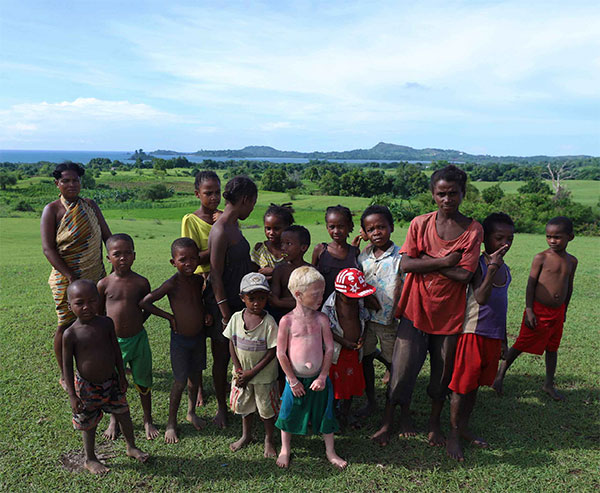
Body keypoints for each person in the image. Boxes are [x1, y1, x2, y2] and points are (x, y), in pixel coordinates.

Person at [372, 165, 483, 447]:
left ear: (463, 193)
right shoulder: (420, 224)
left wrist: (425, 263)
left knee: (441, 376)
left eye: (453, 194)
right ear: (433, 194)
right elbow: (406, 264)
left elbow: (465, 275)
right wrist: (445, 262)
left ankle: (435, 424)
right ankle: (389, 422)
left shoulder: (472, 230)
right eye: (441, 194)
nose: (448, 200)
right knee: (400, 371)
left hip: (449, 316)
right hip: (415, 309)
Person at [446, 213, 514, 461]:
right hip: (472, 333)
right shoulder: (479, 264)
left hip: (492, 336)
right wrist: (493, 265)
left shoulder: (505, 268)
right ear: (485, 239)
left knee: (474, 387)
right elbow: (482, 297)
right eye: (499, 238)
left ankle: (463, 427)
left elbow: (501, 305)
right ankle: (453, 434)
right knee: (461, 387)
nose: (505, 243)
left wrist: (504, 339)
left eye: (510, 238)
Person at [62, 279, 148, 474]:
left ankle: (131, 446)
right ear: (70, 306)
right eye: (79, 303)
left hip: (112, 381)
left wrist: (121, 375)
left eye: (92, 301)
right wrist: (72, 395)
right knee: (89, 423)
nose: (87, 307)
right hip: (87, 387)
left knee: (123, 414)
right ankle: (90, 458)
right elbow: (67, 366)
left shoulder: (106, 323)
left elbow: (116, 350)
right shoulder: (71, 334)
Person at [41, 161, 111, 389]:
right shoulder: (52, 210)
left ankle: (101, 363)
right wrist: (70, 276)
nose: (72, 185)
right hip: (65, 278)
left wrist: (118, 256)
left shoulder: (90, 205)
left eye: (76, 180)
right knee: (65, 325)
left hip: (95, 275)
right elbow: (48, 249)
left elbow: (106, 236)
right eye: (66, 181)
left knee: (98, 321)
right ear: (57, 184)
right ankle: (65, 373)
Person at [493, 216, 578, 401]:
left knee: (553, 348)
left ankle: (549, 383)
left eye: (557, 237)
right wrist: (529, 309)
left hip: (557, 312)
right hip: (538, 310)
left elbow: (568, 286)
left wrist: (565, 310)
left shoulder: (572, 261)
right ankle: (500, 375)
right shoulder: (541, 258)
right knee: (521, 344)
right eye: (548, 236)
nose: (552, 241)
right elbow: (531, 285)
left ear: (570, 237)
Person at [275, 266, 346, 470]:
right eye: (316, 294)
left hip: (319, 379)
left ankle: (330, 451)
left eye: (322, 293)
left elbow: (329, 348)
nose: (321, 298)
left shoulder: (322, 319)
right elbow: (281, 353)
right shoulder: (287, 321)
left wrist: (323, 376)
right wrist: (292, 379)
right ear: (298, 294)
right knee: (287, 413)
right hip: (295, 380)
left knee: (326, 414)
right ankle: (285, 449)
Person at [139, 238, 208, 443]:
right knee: (179, 382)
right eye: (182, 259)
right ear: (173, 262)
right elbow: (145, 302)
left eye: (193, 258)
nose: (188, 263)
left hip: (198, 337)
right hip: (180, 340)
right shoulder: (172, 283)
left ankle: (191, 412)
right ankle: (171, 423)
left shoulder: (198, 281)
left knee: (195, 377)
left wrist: (205, 314)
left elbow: (198, 303)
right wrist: (169, 317)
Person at [205, 176, 259, 428]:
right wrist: (224, 312)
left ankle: (246, 404)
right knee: (221, 357)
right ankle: (221, 409)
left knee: (242, 355)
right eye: (253, 204)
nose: (252, 209)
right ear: (246, 200)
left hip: (239, 302)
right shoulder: (221, 230)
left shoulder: (233, 225)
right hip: (223, 305)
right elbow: (215, 274)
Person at [97, 233, 158, 441]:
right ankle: (114, 419)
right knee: (114, 382)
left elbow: (147, 305)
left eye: (127, 253)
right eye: (117, 254)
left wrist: (139, 321)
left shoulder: (141, 282)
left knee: (143, 379)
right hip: (114, 343)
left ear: (134, 255)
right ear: (108, 258)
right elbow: (99, 314)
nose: (123, 258)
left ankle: (148, 419)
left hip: (138, 339)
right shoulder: (103, 284)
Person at [224, 272, 280, 457]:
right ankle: (246, 435)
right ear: (242, 298)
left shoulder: (269, 323)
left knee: (266, 410)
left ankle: (268, 439)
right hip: (241, 375)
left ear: (267, 298)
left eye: (262, 298)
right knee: (245, 407)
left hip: (264, 377)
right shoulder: (235, 318)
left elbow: (273, 351)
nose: (257, 303)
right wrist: (239, 369)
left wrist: (252, 372)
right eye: (252, 298)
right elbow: (231, 341)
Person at [357, 205, 403, 417]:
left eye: (381, 227)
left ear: (391, 227)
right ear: (364, 233)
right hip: (365, 321)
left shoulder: (400, 257)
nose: (376, 232)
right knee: (365, 358)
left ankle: (392, 401)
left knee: (395, 362)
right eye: (371, 229)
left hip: (389, 322)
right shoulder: (362, 257)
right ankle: (370, 400)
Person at [181, 170, 222, 407]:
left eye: (217, 192)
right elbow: (191, 257)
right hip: (198, 284)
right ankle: (196, 388)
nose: (214, 197)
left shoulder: (223, 218)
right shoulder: (191, 220)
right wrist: (218, 240)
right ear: (198, 194)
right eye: (208, 193)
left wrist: (224, 222)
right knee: (196, 340)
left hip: (220, 283)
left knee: (217, 336)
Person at [321, 268, 374, 429]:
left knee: (350, 385)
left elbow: (365, 320)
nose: (353, 300)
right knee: (335, 385)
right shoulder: (330, 306)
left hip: (354, 352)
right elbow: (327, 329)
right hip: (338, 353)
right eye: (349, 298)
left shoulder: (359, 302)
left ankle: (346, 412)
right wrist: (344, 342)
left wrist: (362, 337)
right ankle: (333, 412)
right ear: (339, 292)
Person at [312, 205, 360, 304]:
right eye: (332, 227)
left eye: (341, 226)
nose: (336, 231)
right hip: (322, 306)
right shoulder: (320, 250)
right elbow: (311, 277)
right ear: (327, 227)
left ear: (350, 226)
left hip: (347, 307)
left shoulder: (354, 252)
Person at [269, 225, 311, 319]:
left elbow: (311, 301)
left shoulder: (310, 271)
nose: (283, 248)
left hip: (306, 318)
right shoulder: (280, 270)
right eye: (282, 243)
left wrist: (281, 302)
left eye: (288, 244)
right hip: (284, 318)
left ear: (303, 247)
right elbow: (273, 300)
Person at [251, 203, 295, 279]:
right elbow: (253, 274)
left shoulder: (291, 249)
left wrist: (274, 271)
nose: (271, 233)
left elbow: (296, 272)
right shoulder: (260, 250)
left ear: (287, 227)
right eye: (268, 228)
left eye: (276, 229)